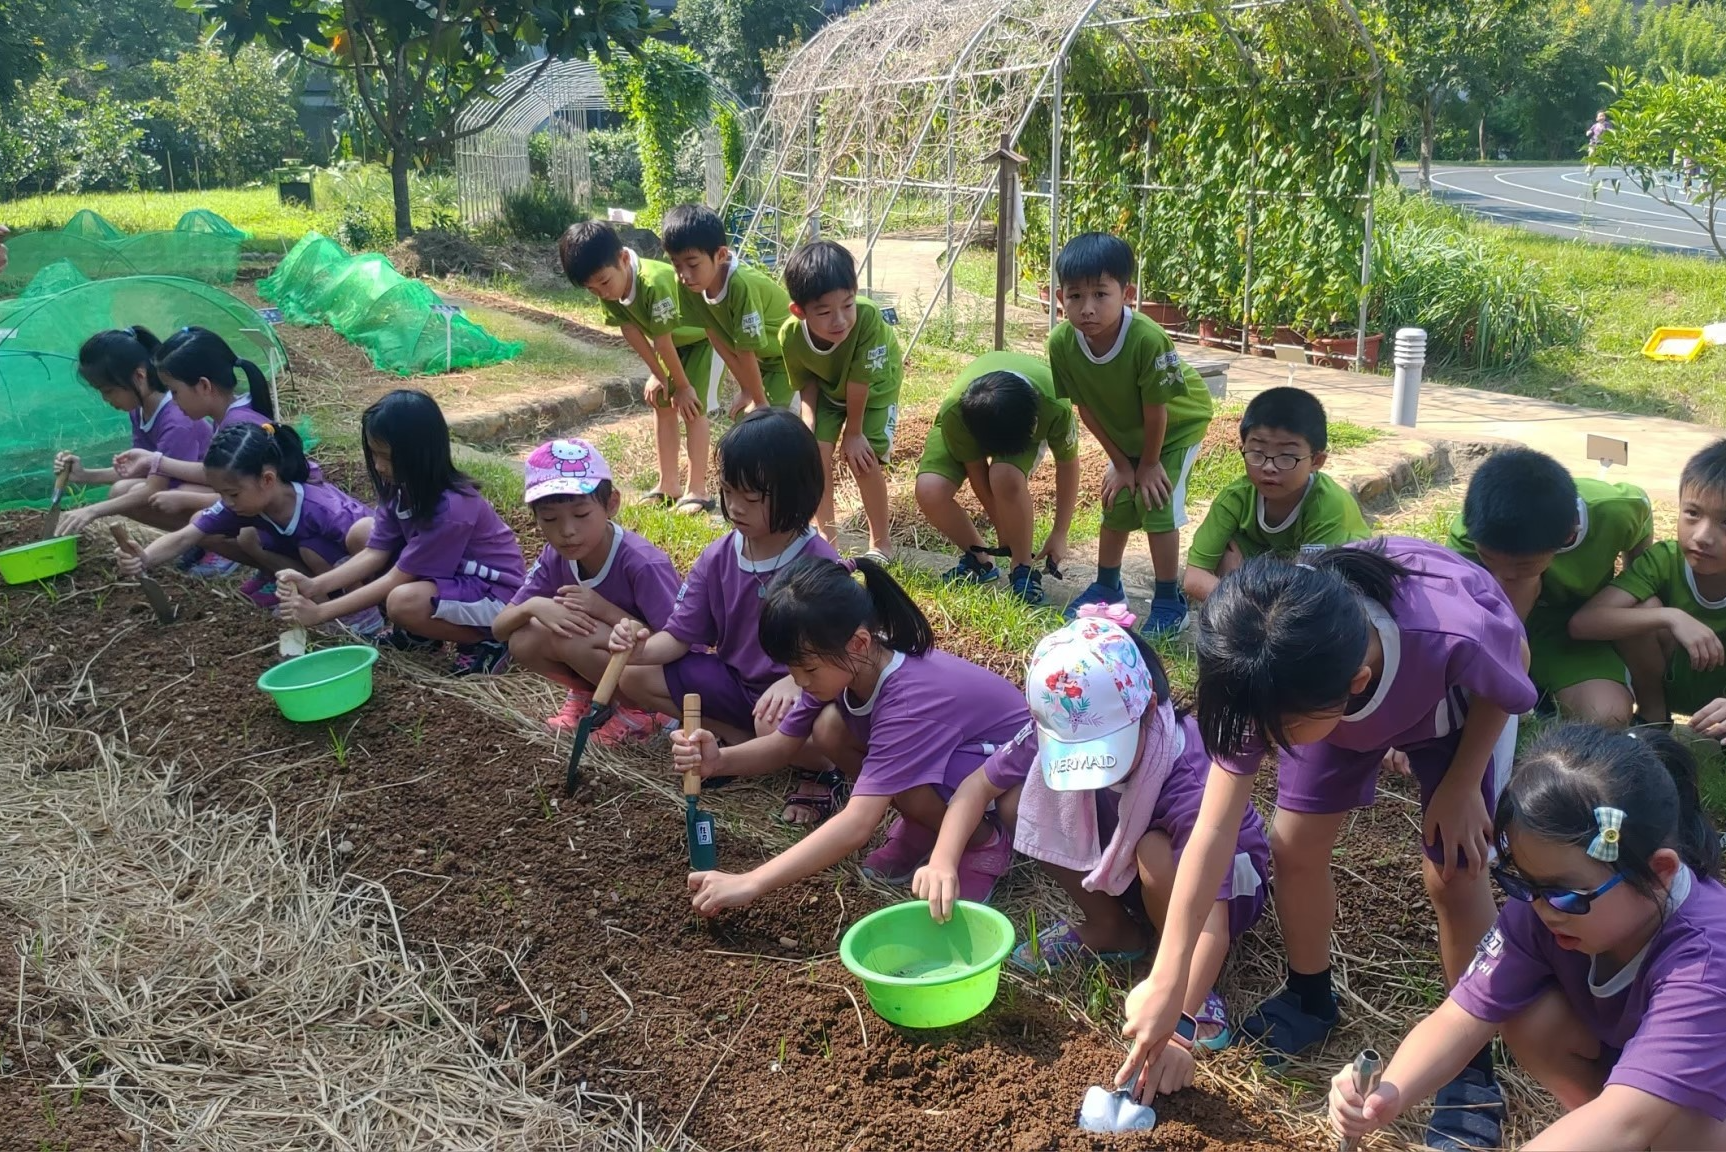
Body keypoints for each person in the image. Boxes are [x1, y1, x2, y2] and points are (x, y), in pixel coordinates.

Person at [1115, 539, 1537, 1151]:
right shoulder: (1267, 671)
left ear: (1356, 684)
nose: (1257, 745)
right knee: (1294, 848)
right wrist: (1168, 982)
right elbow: (1212, 831)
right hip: (1323, 711)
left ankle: (1469, 1069)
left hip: (1453, 707)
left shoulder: (1449, 635)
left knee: (1454, 870)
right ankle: (1310, 994)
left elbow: (1513, 663)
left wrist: (1463, 782)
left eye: (1274, 734)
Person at [912, 607, 1269, 1091]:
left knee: (1155, 853)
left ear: (1144, 711)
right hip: (1133, 870)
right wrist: (942, 860)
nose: (1092, 768)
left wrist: (1178, 1015)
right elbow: (978, 789)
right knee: (1024, 803)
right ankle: (1113, 927)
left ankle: (1180, 974)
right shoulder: (1058, 723)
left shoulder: (1190, 775)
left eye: (1103, 754)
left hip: (1217, 893)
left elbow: (1211, 923)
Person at [1329, 724, 1726, 1150]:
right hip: (1631, 1095)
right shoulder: (1548, 904)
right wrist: (1390, 1092)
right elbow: (1459, 1019)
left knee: (1682, 1117)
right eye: (1522, 883)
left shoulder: (1705, 960)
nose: (1540, 908)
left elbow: (1627, 1117)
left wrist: (1618, 1129)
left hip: (1700, 1105)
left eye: (1564, 894)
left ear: (1661, 872)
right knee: (1530, 1016)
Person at [671, 555, 1020, 913]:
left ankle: (983, 842)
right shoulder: (847, 663)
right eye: (792, 669)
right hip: (958, 749)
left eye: (807, 668)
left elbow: (857, 824)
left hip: (1006, 766)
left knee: (906, 783)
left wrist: (751, 881)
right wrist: (719, 761)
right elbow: (781, 746)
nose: (800, 681)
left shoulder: (905, 702)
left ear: (858, 643)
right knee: (830, 728)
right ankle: (926, 823)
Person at [605, 408, 841, 823]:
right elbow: (679, 636)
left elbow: (840, 649)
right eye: (728, 493)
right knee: (634, 676)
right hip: (737, 685)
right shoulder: (719, 556)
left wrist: (791, 678)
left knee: (778, 723)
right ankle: (739, 740)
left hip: (802, 691)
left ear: (796, 494)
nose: (735, 508)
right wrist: (639, 647)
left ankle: (819, 771)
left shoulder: (818, 560)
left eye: (751, 499)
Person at [275, 390, 524, 677]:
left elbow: (398, 578)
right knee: (362, 534)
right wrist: (315, 586)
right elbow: (373, 551)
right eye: (374, 453)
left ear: (420, 454)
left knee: (401, 602)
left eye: (387, 457)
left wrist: (321, 613)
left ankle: (487, 640)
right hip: (454, 579)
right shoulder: (401, 488)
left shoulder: (452, 508)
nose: (379, 467)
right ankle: (422, 634)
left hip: (495, 595)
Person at [1048, 232, 1213, 633]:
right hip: (1126, 434)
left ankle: (1168, 598)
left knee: (1157, 503)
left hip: (1175, 428)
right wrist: (1122, 464)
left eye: (1100, 294)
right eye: (1074, 297)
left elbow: (1158, 411)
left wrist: (1150, 464)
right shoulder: (1061, 344)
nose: (1087, 308)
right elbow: (1084, 408)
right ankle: (1107, 587)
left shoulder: (1147, 340)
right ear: (1059, 298)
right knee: (1117, 500)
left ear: (1128, 294)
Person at [492, 438, 681, 740]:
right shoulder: (556, 557)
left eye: (581, 515)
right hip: (613, 658)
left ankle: (644, 712)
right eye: (550, 518)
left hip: (653, 672)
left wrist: (602, 609)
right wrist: (532, 606)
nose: (567, 531)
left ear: (612, 504)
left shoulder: (644, 564)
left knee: (571, 640)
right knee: (525, 637)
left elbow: (680, 645)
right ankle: (591, 694)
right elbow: (500, 628)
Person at [1449, 447, 1652, 727]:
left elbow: (1643, 516)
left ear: (1570, 534)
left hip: (1571, 634)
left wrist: (1633, 583)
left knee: (1608, 715)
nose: (1502, 574)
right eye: (1488, 559)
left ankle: (1535, 692)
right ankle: (1515, 679)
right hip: (1496, 626)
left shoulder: (1613, 509)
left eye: (1522, 565)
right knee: (1515, 589)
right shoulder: (1471, 530)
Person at [112, 422, 381, 629]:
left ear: (267, 479)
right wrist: (145, 557)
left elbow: (371, 547)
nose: (226, 502)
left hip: (368, 573)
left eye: (233, 494)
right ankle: (325, 612)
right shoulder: (245, 506)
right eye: (222, 494)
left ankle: (360, 616)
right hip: (319, 577)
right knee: (250, 537)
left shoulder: (319, 507)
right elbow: (186, 537)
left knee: (312, 548)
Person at [558, 221, 718, 515]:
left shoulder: (653, 282)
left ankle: (698, 490)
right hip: (670, 345)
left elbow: (663, 339)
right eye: (592, 290)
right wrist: (660, 376)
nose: (601, 293)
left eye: (604, 283)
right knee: (661, 401)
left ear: (622, 259)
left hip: (699, 340)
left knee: (692, 408)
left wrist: (680, 386)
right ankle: (668, 484)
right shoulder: (609, 287)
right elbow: (631, 331)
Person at [1571, 440, 1726, 735]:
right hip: (1671, 681)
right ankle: (1654, 719)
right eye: (1693, 513)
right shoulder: (1665, 560)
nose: (1703, 536)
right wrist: (1671, 616)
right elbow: (1583, 623)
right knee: (1643, 609)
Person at [915, 349, 1079, 605]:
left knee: (1005, 476)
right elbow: (977, 470)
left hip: (1015, 419)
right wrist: (1002, 528)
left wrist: (1060, 532)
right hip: (974, 421)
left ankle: (1022, 566)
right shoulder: (958, 413)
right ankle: (981, 560)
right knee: (930, 490)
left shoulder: (1054, 404)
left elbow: (1067, 465)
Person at [1183, 387, 1368, 606]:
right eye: (1257, 453)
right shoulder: (1235, 500)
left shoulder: (1328, 505)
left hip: (1343, 588)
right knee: (1225, 558)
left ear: (1316, 461)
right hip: (1272, 589)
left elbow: (1314, 594)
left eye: (1287, 456)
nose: (1269, 466)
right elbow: (1194, 577)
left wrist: (1239, 586)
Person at [779, 240, 903, 562]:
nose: (840, 321)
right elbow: (805, 380)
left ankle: (881, 543)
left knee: (863, 457)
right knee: (816, 453)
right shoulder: (790, 336)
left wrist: (854, 431)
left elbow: (860, 380)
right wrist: (808, 420)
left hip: (874, 392)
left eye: (847, 305)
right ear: (800, 311)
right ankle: (827, 540)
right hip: (829, 393)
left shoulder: (868, 318)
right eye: (824, 312)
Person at [56, 327, 214, 546]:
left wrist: (91, 511)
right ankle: (200, 540)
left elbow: (154, 486)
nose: (105, 399)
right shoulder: (139, 411)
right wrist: (85, 475)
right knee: (122, 490)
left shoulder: (176, 420)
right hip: (182, 484)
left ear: (140, 376)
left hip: (216, 489)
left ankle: (215, 540)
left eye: (109, 390)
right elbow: (139, 470)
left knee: (140, 494)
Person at [661, 204, 792, 417]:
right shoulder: (689, 284)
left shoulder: (740, 285)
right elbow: (714, 335)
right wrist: (747, 389)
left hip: (787, 358)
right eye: (676, 264)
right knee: (746, 420)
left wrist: (759, 401)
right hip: (763, 359)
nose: (684, 274)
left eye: (693, 264)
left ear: (721, 255)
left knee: (764, 424)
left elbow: (745, 349)